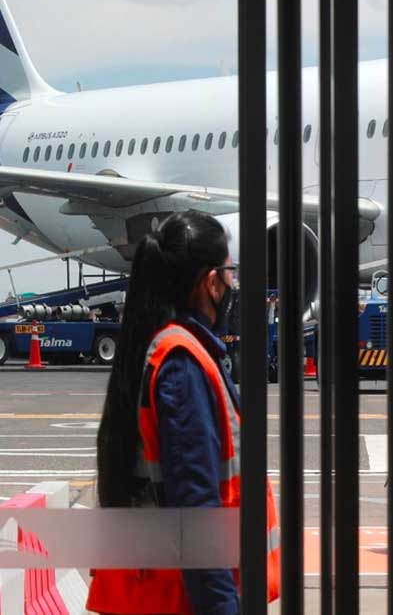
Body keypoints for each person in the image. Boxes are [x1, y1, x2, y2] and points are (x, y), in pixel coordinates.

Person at [89, 212, 280, 614]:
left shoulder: (162, 349)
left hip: (157, 592)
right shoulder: (181, 363)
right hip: (178, 598)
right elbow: (197, 512)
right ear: (211, 282)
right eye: (231, 272)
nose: (234, 284)